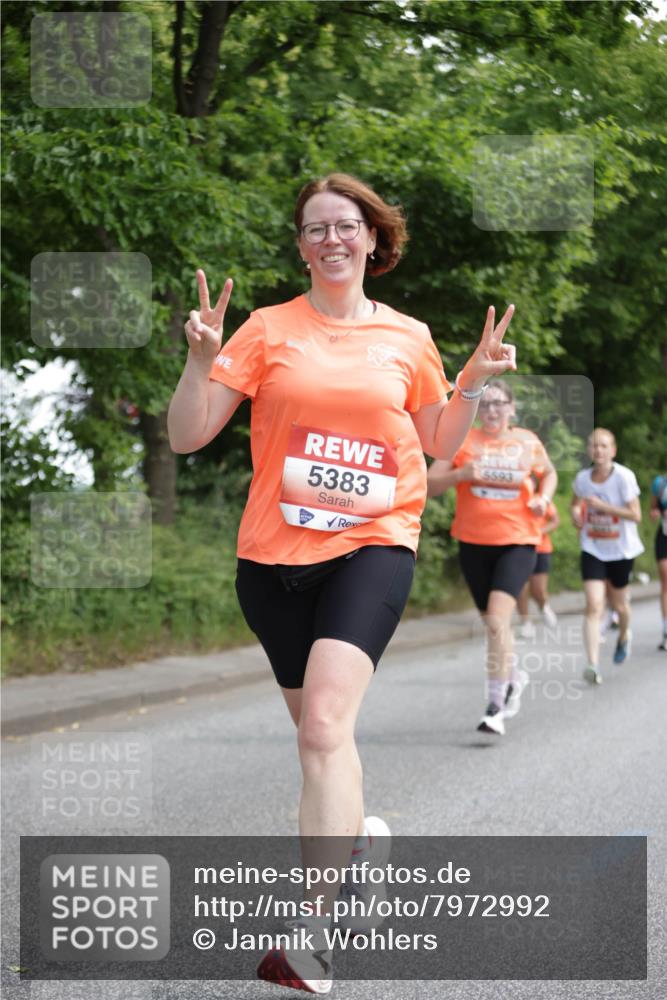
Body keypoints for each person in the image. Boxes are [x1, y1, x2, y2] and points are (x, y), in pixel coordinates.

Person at [167, 172, 517, 994]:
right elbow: (188, 435)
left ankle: (312, 938)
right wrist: (199, 361)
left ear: (372, 239)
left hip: (373, 545)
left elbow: (439, 441)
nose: (331, 239)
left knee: (324, 728)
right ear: (301, 246)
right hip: (271, 562)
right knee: (319, 737)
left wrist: (468, 381)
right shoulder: (265, 328)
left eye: (345, 225)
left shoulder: (407, 337)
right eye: (315, 228)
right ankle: (359, 845)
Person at [427, 380, 557, 736]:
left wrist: (543, 499)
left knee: (498, 619)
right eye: (485, 404)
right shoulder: (460, 440)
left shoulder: (527, 441)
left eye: (499, 403)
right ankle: (514, 676)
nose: (492, 410)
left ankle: (495, 706)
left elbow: (549, 474)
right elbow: (429, 484)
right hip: (473, 543)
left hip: (519, 541)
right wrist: (460, 474)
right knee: (494, 624)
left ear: (511, 408)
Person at [570, 428, 644, 684]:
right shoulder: (582, 479)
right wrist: (576, 515)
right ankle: (592, 664)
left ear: (612, 450)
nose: (598, 450)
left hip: (621, 550)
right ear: (588, 450)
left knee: (620, 606)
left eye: (603, 446)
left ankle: (624, 635)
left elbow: (636, 515)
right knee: (593, 605)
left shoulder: (624, 477)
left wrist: (604, 507)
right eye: (594, 445)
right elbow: (575, 504)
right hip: (592, 548)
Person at [516, 499, 560, 637]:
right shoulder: (515, 496)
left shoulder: (542, 497)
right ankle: (525, 622)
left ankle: (543, 607)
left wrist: (537, 532)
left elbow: (555, 521)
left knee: (538, 589)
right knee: (521, 588)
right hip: (517, 548)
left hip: (541, 548)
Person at [649, 471, 667, 650]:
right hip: (664, 536)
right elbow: (653, 508)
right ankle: (666, 630)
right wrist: (655, 513)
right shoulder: (660, 484)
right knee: (665, 582)